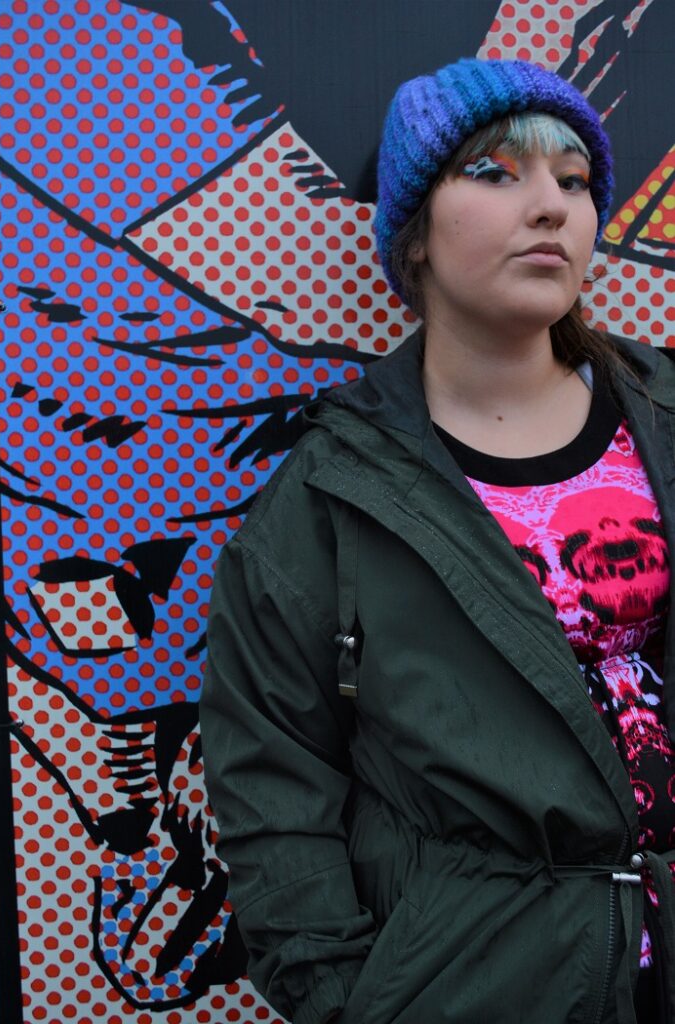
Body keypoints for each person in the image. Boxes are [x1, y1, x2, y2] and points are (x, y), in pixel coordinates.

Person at [200, 58, 675, 1024]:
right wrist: (345, 1001)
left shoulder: (663, 417)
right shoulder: (331, 495)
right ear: (412, 237)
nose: (549, 206)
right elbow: (271, 779)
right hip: (484, 984)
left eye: (573, 180)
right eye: (496, 174)